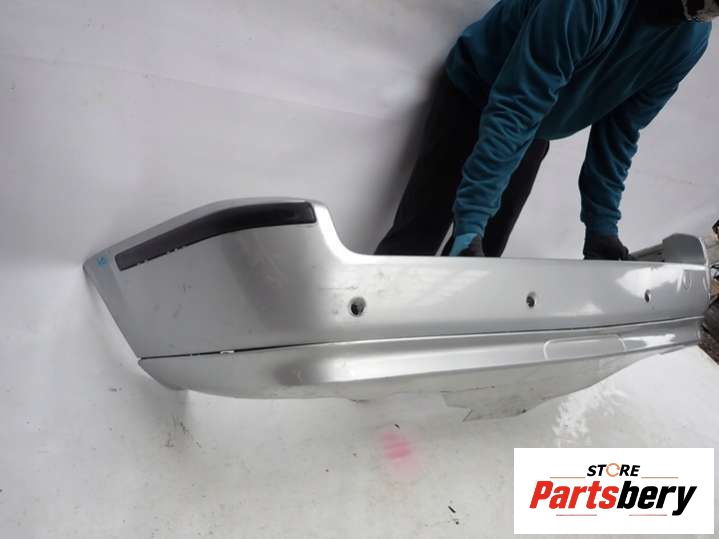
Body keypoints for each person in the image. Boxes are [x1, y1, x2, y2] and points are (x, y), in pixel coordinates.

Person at [375, 0, 715, 259]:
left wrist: (601, 228)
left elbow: (620, 133)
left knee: (485, 257)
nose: (701, 12)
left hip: (534, 125)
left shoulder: (691, 39)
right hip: (476, 91)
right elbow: (519, 103)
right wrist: (472, 219)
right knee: (418, 238)